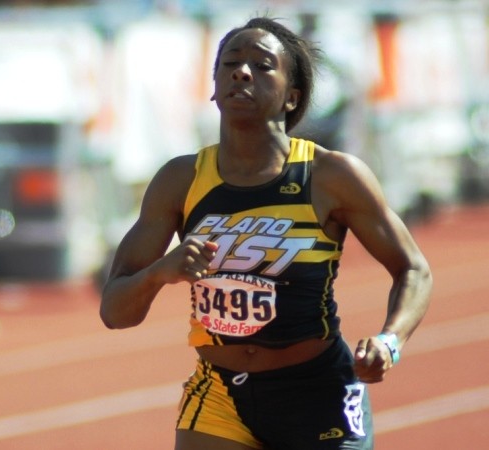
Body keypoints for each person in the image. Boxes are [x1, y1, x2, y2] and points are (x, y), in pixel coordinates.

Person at [100, 16, 432, 450]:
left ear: (292, 97)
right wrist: (160, 272)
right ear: (214, 87)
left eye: (262, 65)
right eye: (231, 63)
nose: (242, 72)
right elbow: (115, 310)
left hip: (318, 392)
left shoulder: (331, 175)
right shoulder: (180, 180)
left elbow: (414, 270)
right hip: (220, 393)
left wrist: (391, 341)